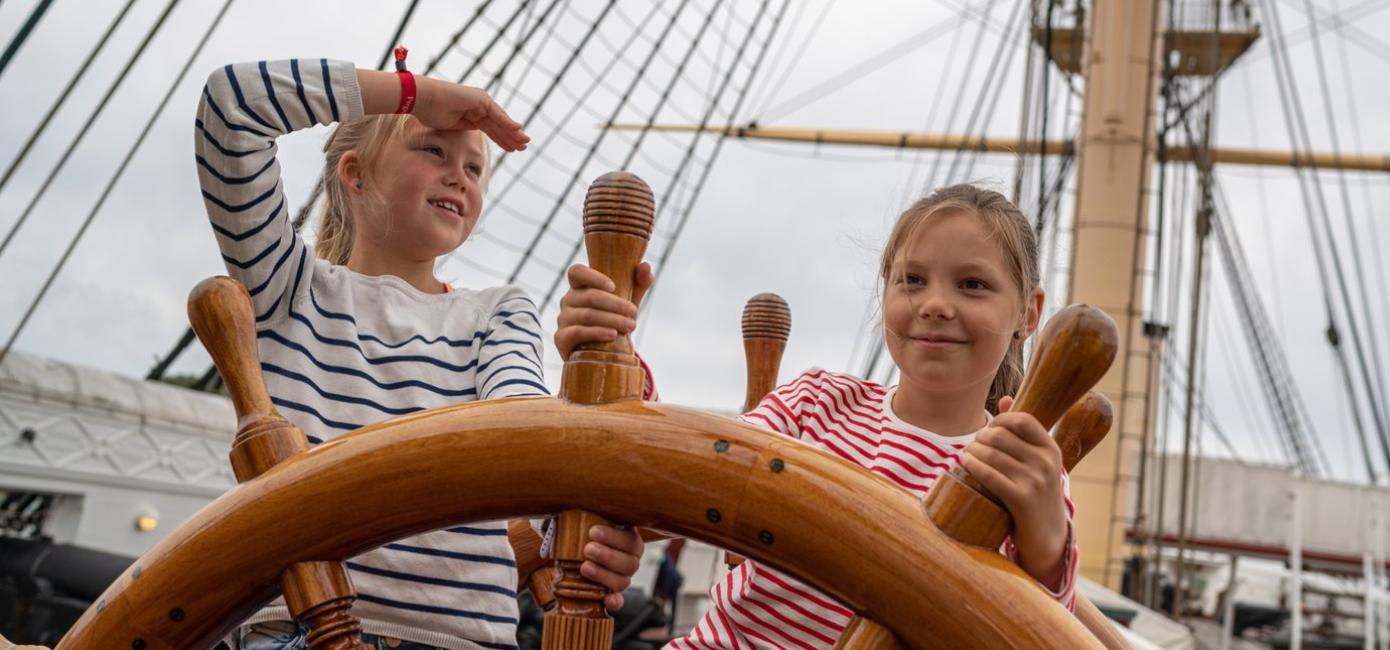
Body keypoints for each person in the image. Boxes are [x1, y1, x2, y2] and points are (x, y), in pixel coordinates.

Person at [194, 54, 644, 649]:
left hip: (459, 638)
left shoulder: (497, 313)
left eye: (476, 168)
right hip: (293, 630)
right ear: (354, 174)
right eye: (433, 150)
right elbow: (233, 106)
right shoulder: (286, 287)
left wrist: (585, 538)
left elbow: (528, 449)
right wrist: (413, 95)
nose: (460, 175)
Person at [564, 183, 1078, 649]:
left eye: (972, 285)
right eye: (912, 280)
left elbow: (1036, 635)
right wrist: (612, 354)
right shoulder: (819, 403)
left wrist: (1047, 539)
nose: (935, 304)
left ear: (1028, 314)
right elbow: (691, 477)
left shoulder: (1022, 472)